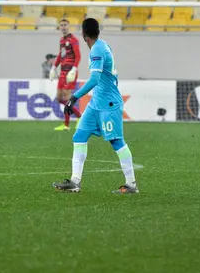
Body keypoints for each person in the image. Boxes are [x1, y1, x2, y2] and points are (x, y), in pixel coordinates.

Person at [53, 18, 138, 194]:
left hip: (108, 104)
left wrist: (74, 97)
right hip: (96, 104)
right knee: (79, 137)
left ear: (84, 35)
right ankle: (75, 181)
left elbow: (95, 79)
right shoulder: (103, 45)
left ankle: (131, 184)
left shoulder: (97, 49)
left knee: (117, 142)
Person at [49, 18, 82, 131]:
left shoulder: (74, 40)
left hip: (70, 73)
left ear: (69, 26)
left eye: (65, 25)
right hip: (62, 72)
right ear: (59, 27)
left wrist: (74, 69)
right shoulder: (62, 40)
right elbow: (60, 54)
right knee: (59, 98)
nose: (63, 27)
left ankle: (66, 125)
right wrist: (54, 67)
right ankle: (80, 117)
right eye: (61, 25)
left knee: (67, 98)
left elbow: (78, 56)